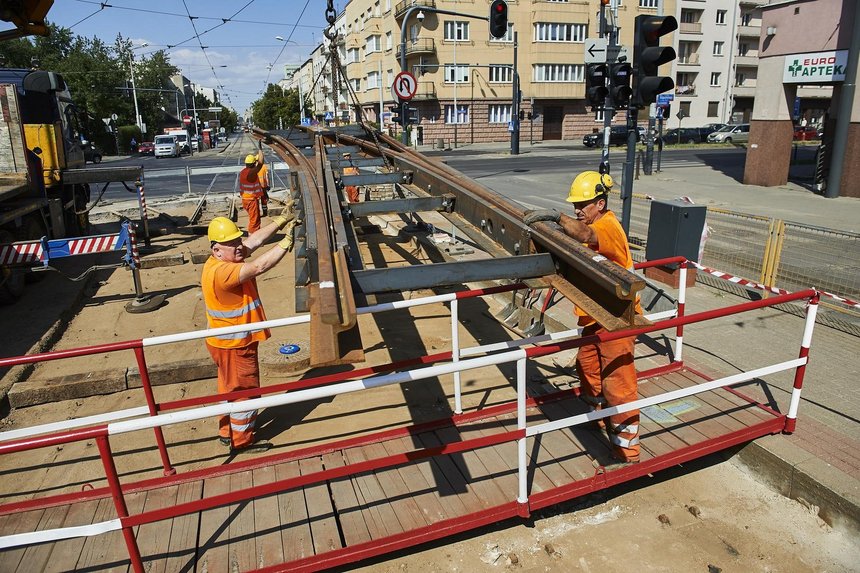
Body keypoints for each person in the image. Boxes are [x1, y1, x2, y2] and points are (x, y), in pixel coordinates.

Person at [523, 171, 642, 467]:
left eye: (582, 204)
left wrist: (558, 218)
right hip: (595, 316)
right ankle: (598, 419)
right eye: (574, 205)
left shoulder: (608, 226)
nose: (578, 210)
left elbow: (587, 236)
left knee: (618, 382)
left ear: (600, 203)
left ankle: (627, 452)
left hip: (618, 317)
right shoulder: (591, 223)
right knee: (587, 366)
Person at [202, 213, 299, 453]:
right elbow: (259, 266)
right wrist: (286, 242)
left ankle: (226, 432)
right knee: (245, 392)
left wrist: (281, 220)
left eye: (238, 240)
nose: (239, 246)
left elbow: (253, 242)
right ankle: (242, 441)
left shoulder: (219, 260)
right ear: (216, 250)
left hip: (220, 341)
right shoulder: (224, 272)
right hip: (236, 344)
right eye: (232, 243)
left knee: (228, 387)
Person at [239, 151, 266, 233]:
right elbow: (260, 164)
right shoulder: (251, 173)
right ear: (253, 164)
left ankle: (253, 235)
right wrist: (260, 150)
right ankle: (253, 236)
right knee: (254, 220)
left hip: (245, 200)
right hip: (251, 200)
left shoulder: (243, 172)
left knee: (253, 218)